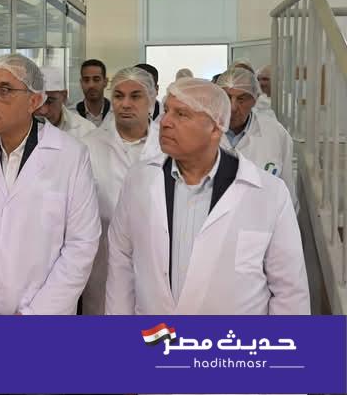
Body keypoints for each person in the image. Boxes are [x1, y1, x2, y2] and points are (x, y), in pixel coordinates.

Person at [105, 77, 309, 314]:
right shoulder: (139, 180)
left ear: (215, 128)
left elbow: (289, 291)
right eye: (167, 110)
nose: (165, 122)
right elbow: (121, 260)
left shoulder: (269, 193)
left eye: (181, 114)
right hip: (155, 332)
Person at [0, 54, 101, 315]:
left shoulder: (71, 155)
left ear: (34, 101)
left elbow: (82, 244)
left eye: (5, 91)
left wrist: (34, 315)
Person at [81, 67, 161, 314]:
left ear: (152, 98)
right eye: (118, 96)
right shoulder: (88, 146)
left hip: (159, 263)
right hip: (103, 265)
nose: (125, 104)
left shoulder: (168, 146)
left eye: (135, 96)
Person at [217, 67, 296, 208]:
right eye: (227, 97)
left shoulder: (275, 133)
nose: (233, 107)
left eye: (241, 99)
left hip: (263, 218)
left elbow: (287, 192)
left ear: (255, 99)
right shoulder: (201, 132)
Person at [37, 66, 95, 140]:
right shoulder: (22, 128)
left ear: (64, 96)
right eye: (37, 101)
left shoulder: (86, 131)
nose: (43, 111)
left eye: (50, 101)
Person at [76, 59, 110, 127]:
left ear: (105, 82)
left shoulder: (116, 112)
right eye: (86, 80)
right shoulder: (71, 113)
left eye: (96, 80)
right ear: (81, 83)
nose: (91, 85)